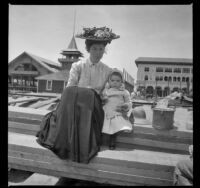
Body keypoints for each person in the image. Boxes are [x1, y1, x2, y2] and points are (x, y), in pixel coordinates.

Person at [36, 26, 120, 164]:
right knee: (72, 92)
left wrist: (119, 104)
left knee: (91, 95)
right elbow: (70, 88)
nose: (98, 52)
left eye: (101, 49)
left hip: (93, 110)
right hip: (74, 107)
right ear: (88, 49)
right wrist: (87, 91)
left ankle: (82, 147)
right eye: (94, 49)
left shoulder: (108, 71)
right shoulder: (78, 66)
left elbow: (109, 93)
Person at [101, 69, 133, 150]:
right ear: (109, 81)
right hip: (107, 111)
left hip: (117, 111)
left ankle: (112, 140)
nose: (115, 83)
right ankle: (99, 139)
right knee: (102, 123)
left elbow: (129, 102)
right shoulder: (106, 91)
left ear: (122, 82)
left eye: (118, 81)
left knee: (114, 125)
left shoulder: (124, 92)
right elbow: (102, 99)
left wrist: (126, 105)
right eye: (112, 80)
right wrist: (102, 100)